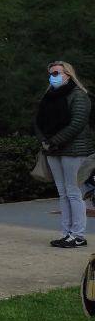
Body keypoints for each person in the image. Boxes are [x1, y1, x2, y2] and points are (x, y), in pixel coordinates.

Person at [37, 60, 92, 248]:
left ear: (68, 74)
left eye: (56, 73)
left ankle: (78, 234)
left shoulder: (79, 96)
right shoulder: (49, 96)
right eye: (51, 73)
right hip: (54, 150)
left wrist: (53, 141)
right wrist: (45, 140)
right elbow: (39, 121)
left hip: (73, 150)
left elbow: (77, 124)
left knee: (73, 192)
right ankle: (66, 232)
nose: (53, 76)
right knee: (63, 193)